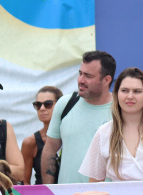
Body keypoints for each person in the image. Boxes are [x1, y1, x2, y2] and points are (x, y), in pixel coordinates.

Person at [40, 51, 117, 184]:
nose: (80, 80)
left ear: (106, 80)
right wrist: (50, 192)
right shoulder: (65, 104)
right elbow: (50, 149)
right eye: (80, 73)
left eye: (88, 76)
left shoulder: (121, 110)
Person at [21, 86, 62, 185]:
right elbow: (24, 181)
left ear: (60, 105)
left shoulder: (71, 137)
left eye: (48, 104)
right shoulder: (31, 142)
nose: (42, 108)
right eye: (38, 105)